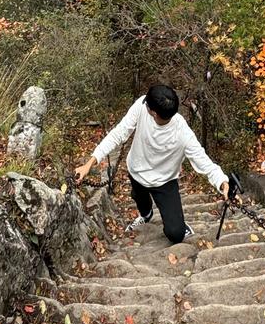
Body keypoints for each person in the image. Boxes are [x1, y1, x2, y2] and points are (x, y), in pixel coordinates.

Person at [75, 83, 229, 244]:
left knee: (175, 234)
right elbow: (118, 133)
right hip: (136, 171)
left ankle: (178, 224)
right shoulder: (141, 105)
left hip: (165, 181)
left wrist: (221, 180)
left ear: (154, 113)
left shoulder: (182, 132)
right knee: (140, 200)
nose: (144, 103)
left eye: (147, 104)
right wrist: (90, 163)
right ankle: (146, 214)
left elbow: (201, 158)